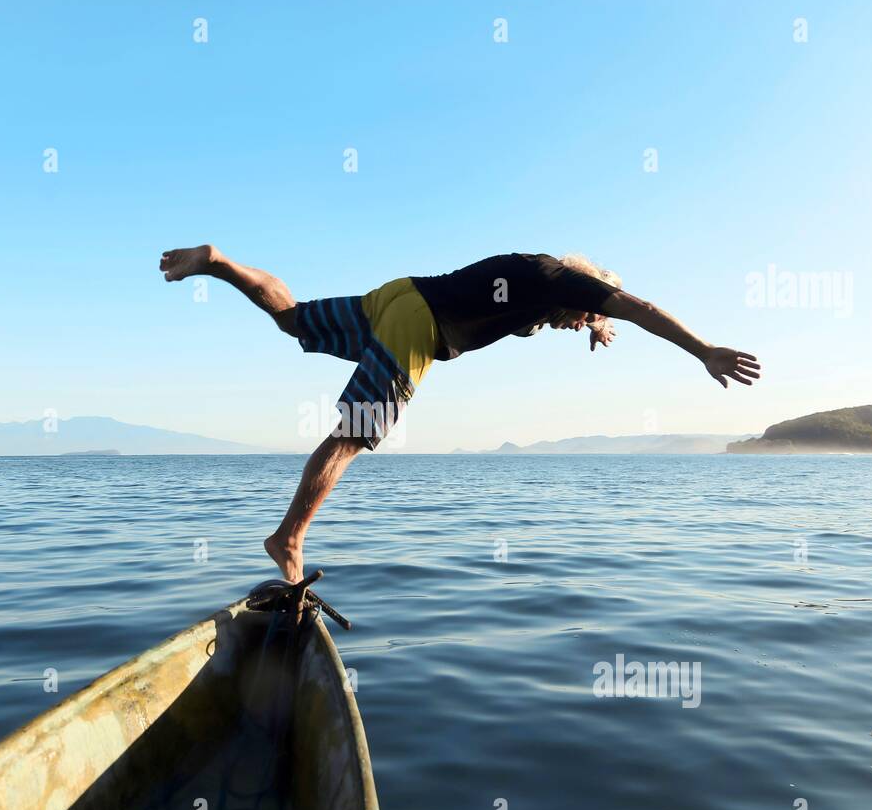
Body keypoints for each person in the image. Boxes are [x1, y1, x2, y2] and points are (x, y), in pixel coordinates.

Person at [160, 244, 760, 582]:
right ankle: (288, 540)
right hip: (418, 325)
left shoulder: (540, 275)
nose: (576, 322)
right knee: (350, 438)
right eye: (582, 314)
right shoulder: (564, 282)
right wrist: (703, 350)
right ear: (587, 290)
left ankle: (219, 262)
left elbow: (565, 307)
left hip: (396, 296)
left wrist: (591, 324)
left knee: (292, 319)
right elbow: (641, 307)